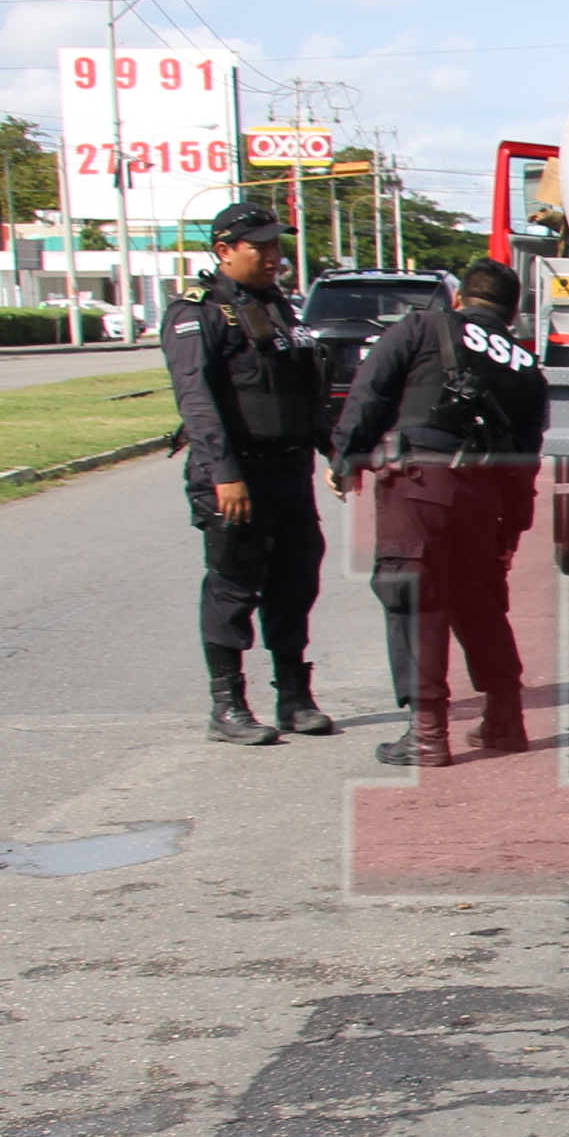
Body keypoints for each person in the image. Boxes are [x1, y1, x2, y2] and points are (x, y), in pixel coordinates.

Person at [329, 258, 551, 767]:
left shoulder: (421, 327)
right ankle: (505, 720)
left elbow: (370, 391)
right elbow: (525, 457)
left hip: (419, 485)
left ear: (458, 301)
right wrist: (511, 531)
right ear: (512, 315)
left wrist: (345, 458)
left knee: (415, 599)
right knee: (481, 605)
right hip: (485, 497)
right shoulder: (524, 365)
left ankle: (426, 734)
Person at [167, 200, 335, 744]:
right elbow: (197, 402)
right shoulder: (199, 312)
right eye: (259, 247)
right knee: (234, 585)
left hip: (290, 471)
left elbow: (302, 393)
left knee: (296, 580)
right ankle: (228, 706)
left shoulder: (279, 307)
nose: (273, 256)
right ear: (223, 251)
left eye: (276, 246)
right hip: (237, 472)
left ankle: (293, 695)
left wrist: (338, 453)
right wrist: (223, 474)